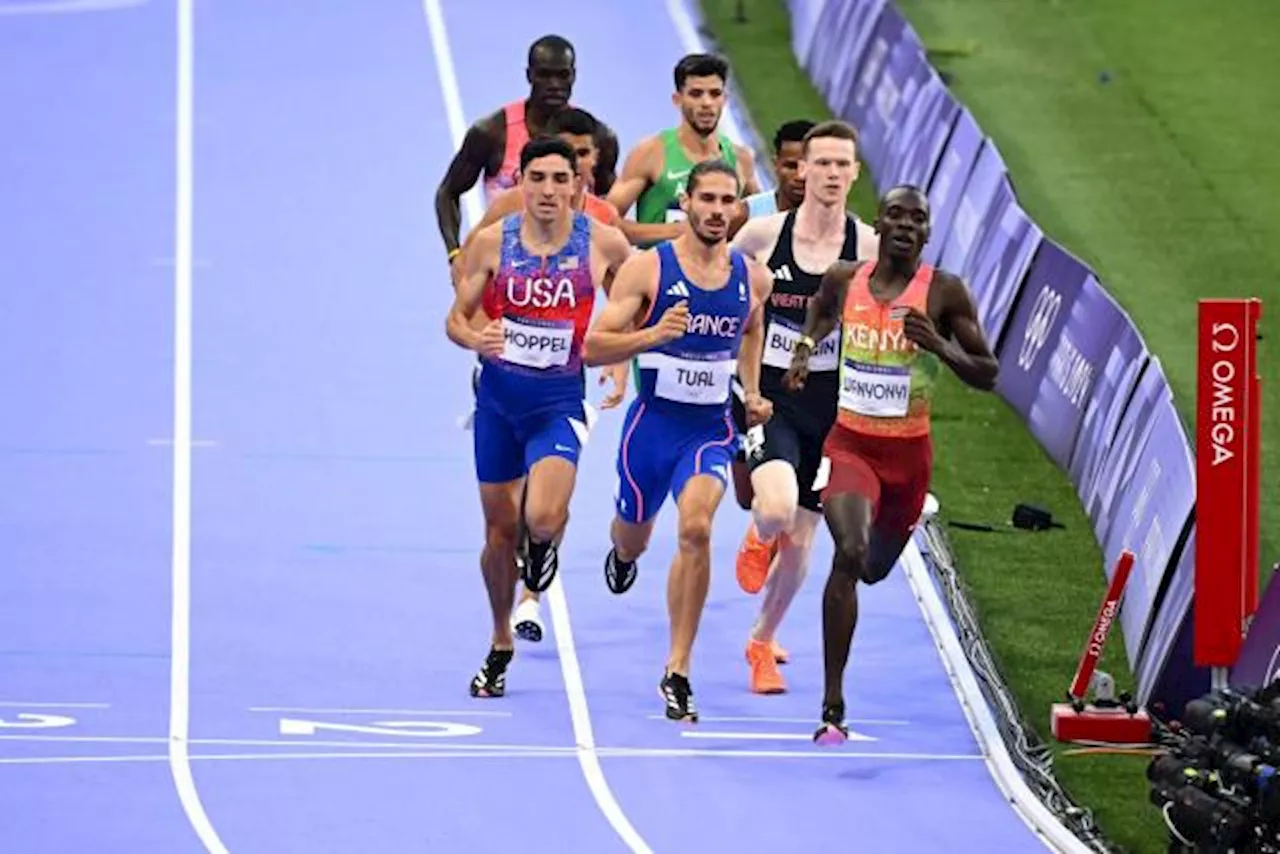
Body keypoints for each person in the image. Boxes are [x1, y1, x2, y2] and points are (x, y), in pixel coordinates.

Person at [781, 185, 999, 744]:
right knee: (849, 553)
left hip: (908, 457)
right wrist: (806, 348)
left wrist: (940, 347)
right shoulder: (844, 277)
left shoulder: (945, 292)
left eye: (917, 219)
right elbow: (821, 314)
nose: (905, 225)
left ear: (928, 231)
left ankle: (891, 526)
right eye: (895, 216)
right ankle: (832, 703)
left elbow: (988, 373)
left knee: (873, 568)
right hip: (850, 445)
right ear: (878, 224)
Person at [583, 160, 774, 723]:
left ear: (738, 209)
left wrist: (755, 389)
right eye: (707, 199)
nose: (717, 211)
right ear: (687, 203)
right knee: (634, 536)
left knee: (695, 528)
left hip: (710, 430)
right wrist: (654, 335)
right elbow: (594, 345)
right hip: (651, 428)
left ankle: (678, 668)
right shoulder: (647, 269)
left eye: (727, 201)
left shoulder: (751, 276)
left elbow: (753, 325)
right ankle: (622, 552)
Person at [445, 137, 632, 698]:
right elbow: (455, 319)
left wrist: (619, 360)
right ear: (520, 183)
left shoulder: (602, 243)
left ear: (578, 185)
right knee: (499, 533)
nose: (549, 190)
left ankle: (544, 547)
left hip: (557, 404)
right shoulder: (490, 245)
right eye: (538, 178)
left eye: (560, 179)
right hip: (499, 406)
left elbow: (632, 300)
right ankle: (501, 639)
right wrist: (478, 337)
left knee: (544, 517)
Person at [727, 120, 878, 695]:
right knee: (776, 509)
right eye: (824, 164)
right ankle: (757, 533)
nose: (834, 174)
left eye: (844, 165)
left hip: (834, 409)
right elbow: (722, 289)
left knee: (804, 547)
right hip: (773, 401)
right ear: (802, 170)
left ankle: (761, 641)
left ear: (854, 173)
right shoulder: (762, 237)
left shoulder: (867, 249)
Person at [435, 35, 620, 284]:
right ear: (529, 75)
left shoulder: (597, 140)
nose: (554, 84)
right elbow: (448, 192)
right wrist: (455, 253)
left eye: (562, 75)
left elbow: (612, 208)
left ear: (573, 76)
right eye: (545, 75)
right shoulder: (493, 133)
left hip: (564, 276)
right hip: (502, 270)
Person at [606, 53, 761, 248]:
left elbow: (760, 221)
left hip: (717, 274)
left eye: (715, 94)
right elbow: (606, 222)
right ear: (677, 99)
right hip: (659, 273)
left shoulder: (741, 159)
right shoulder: (651, 153)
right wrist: (678, 231)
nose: (707, 103)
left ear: (725, 99)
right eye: (696, 94)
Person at [729, 119, 816, 237]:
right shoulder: (744, 215)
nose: (800, 176)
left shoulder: (840, 227)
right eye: (791, 167)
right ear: (776, 164)